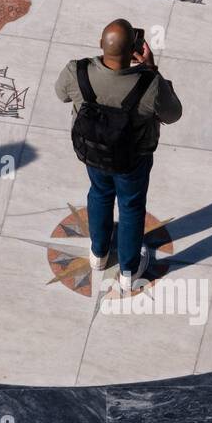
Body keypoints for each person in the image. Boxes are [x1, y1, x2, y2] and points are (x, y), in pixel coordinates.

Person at [55, 19, 182, 290]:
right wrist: (150, 68)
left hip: (93, 154)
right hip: (133, 160)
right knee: (131, 206)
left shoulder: (76, 71)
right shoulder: (150, 84)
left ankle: (98, 254)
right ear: (133, 52)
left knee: (99, 193)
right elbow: (173, 114)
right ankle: (128, 270)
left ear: (101, 44)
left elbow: (60, 94)